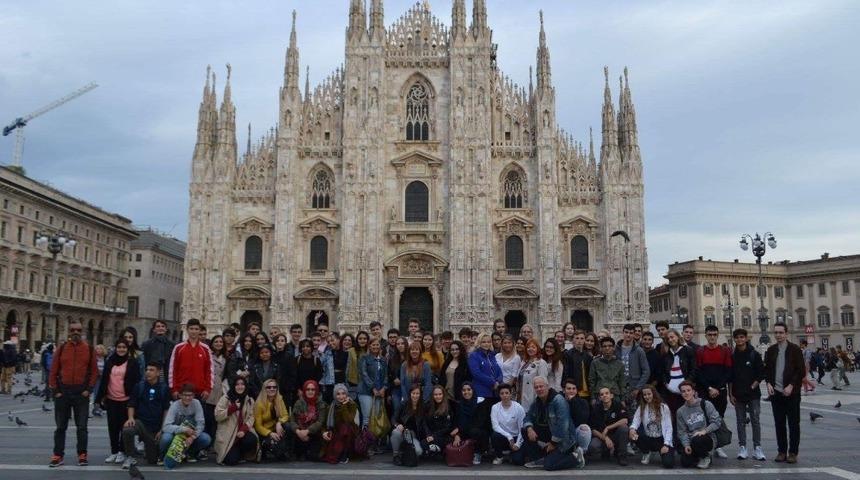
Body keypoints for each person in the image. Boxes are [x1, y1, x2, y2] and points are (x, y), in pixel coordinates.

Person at [49, 319, 98, 468]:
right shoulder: (62, 348)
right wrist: (56, 391)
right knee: (60, 427)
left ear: (82, 332)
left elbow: (94, 372)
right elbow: (53, 370)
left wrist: (88, 390)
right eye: (73, 330)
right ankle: (58, 455)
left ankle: (82, 454)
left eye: (78, 330)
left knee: (82, 426)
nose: (75, 332)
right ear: (69, 332)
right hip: (63, 392)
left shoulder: (89, 349)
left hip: (80, 393)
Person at [517, 376, 581, 470]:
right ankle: (540, 459)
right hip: (549, 435)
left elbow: (563, 426)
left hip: (564, 441)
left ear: (547, 386)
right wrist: (529, 428)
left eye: (541, 386)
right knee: (525, 430)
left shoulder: (558, 401)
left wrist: (553, 443)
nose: (539, 389)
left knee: (549, 466)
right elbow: (528, 417)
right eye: (536, 387)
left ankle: (576, 458)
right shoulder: (537, 401)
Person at [94, 339, 141, 465]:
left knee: (124, 428)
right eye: (119, 347)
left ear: (127, 349)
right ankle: (114, 451)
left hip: (126, 400)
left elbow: (137, 381)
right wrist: (98, 399)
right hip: (111, 399)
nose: (121, 349)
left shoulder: (132, 362)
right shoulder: (110, 361)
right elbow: (104, 380)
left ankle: (122, 451)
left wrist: (135, 399)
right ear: (116, 348)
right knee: (112, 427)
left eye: (124, 347)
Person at [764, 322, 804, 464]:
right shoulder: (771, 350)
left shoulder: (795, 349)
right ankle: (781, 451)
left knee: (793, 423)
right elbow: (767, 369)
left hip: (792, 393)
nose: (778, 335)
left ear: (786, 333)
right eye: (776, 333)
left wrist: (791, 385)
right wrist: (768, 383)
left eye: (781, 332)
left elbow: (800, 371)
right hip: (777, 393)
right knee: (779, 423)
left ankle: (792, 452)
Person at [122, 361, 171, 468]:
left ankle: (147, 448)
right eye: (147, 370)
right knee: (127, 430)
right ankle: (130, 456)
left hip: (155, 427)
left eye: (151, 370)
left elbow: (166, 410)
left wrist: (162, 429)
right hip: (141, 423)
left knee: (152, 460)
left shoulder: (164, 388)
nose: (148, 372)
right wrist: (130, 418)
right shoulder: (139, 386)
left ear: (158, 373)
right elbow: (131, 404)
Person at [694, 324, 732, 459]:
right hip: (705, 390)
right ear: (705, 336)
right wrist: (709, 388)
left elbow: (728, 372)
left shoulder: (725, 351)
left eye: (714, 335)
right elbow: (698, 372)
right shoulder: (700, 351)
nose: (712, 337)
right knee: (704, 419)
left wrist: (718, 388)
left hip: (719, 390)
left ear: (718, 335)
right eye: (709, 335)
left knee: (718, 418)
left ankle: (719, 446)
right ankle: (708, 445)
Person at [728, 328, 766, 461]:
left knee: (755, 420)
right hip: (738, 394)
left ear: (746, 338)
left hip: (753, 394)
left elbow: (761, 373)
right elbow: (730, 377)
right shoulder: (732, 356)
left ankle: (757, 447)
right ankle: (742, 447)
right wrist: (730, 394)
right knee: (740, 422)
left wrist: (753, 386)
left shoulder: (754, 354)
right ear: (734, 339)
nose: (739, 340)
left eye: (741, 337)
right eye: (737, 337)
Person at [160, 383, 212, 467]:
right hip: (176, 434)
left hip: (190, 434)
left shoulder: (197, 403)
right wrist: (183, 429)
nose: (187, 398)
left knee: (206, 439)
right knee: (166, 438)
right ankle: (163, 455)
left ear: (194, 395)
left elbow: (201, 424)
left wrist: (192, 437)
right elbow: (166, 426)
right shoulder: (175, 405)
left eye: (190, 395)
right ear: (180, 395)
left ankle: (189, 453)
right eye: (185, 395)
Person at [214, 376, 259, 465]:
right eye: (237, 384)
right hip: (228, 434)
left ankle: (241, 452)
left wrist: (243, 429)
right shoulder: (225, 398)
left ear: (245, 386)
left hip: (241, 433)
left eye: (242, 384)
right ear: (233, 386)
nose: (240, 386)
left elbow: (251, 417)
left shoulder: (249, 400)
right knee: (231, 461)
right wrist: (232, 408)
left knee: (252, 439)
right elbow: (217, 416)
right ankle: (229, 451)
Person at [676, 381, 720, 469]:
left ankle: (706, 456)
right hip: (691, 440)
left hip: (707, 437)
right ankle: (699, 456)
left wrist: (704, 431)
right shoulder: (680, 411)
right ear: (681, 393)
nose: (686, 393)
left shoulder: (706, 404)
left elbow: (717, 422)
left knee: (697, 440)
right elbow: (682, 431)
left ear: (693, 392)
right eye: (683, 391)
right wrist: (686, 445)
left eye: (688, 390)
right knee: (685, 463)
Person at [628, 385, 674, 468]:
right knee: (634, 435)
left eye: (649, 394)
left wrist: (666, 444)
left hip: (662, 440)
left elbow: (669, 428)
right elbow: (635, 421)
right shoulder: (642, 407)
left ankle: (663, 451)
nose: (647, 396)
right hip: (648, 439)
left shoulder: (663, 407)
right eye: (644, 395)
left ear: (653, 394)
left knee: (668, 464)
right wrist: (632, 429)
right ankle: (646, 452)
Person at [168, 319, 213, 401]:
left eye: (196, 329)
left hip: (200, 392)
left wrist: (208, 389)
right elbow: (172, 369)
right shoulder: (178, 348)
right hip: (181, 391)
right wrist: (173, 389)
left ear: (199, 330)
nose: (194, 331)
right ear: (187, 329)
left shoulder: (205, 349)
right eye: (191, 329)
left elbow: (209, 370)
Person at [587, 387, 629, 466]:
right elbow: (593, 429)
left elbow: (625, 420)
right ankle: (605, 450)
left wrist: (608, 427)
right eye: (602, 394)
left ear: (611, 395)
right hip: (602, 436)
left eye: (607, 393)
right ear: (599, 398)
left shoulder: (618, 405)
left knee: (624, 428)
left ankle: (622, 456)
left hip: (616, 435)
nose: (604, 395)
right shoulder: (596, 409)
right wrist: (605, 438)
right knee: (593, 446)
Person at [286, 380, 327, 461]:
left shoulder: (321, 404)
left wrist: (307, 431)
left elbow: (320, 422)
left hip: (314, 433)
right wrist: (298, 431)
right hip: (299, 433)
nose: (310, 391)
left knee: (313, 457)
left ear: (316, 391)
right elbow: (292, 420)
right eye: (308, 389)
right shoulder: (298, 403)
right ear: (304, 390)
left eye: (313, 389)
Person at [661, 329, 697, 418]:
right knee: (673, 415)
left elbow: (694, 369)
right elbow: (662, 371)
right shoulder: (666, 353)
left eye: (672, 337)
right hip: (670, 391)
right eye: (668, 338)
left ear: (677, 337)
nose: (670, 340)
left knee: (688, 415)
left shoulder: (688, 350)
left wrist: (688, 384)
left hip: (685, 390)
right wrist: (666, 383)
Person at [321, 383, 361, 464]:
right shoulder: (331, 406)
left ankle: (345, 453)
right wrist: (324, 432)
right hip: (336, 432)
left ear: (347, 394)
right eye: (338, 394)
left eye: (343, 393)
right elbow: (325, 423)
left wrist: (344, 406)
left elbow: (348, 420)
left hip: (350, 433)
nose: (341, 396)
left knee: (345, 427)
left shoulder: (352, 404)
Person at [452, 381, 491, 464]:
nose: (466, 392)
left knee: (474, 431)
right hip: (464, 430)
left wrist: (459, 431)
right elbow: (456, 421)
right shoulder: (460, 404)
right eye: (464, 390)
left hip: (479, 431)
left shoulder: (481, 402)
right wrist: (457, 434)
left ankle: (478, 452)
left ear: (473, 390)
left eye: (469, 389)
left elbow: (480, 423)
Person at [253, 378, 291, 461]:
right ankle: (266, 448)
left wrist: (279, 423)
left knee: (288, 426)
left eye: (274, 387)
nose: (272, 389)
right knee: (277, 451)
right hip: (264, 432)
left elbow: (285, 415)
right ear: (264, 389)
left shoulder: (279, 399)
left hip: (276, 429)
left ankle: (283, 449)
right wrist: (269, 433)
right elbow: (258, 426)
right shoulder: (259, 404)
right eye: (269, 387)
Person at [489, 383, 525, 465]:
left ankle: (512, 454)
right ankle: (499, 456)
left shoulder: (518, 407)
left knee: (518, 461)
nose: (504, 395)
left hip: (516, 438)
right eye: (502, 393)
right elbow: (495, 426)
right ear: (499, 395)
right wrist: (509, 436)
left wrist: (518, 444)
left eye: (507, 393)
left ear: (510, 394)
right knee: (494, 435)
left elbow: (521, 428)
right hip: (503, 437)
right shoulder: (495, 407)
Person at [616, 323, 650, 407]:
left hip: (634, 387)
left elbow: (646, 371)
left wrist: (638, 388)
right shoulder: (616, 349)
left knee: (634, 414)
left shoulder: (639, 351)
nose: (628, 335)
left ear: (634, 334)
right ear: (623, 332)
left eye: (631, 333)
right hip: (619, 387)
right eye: (626, 332)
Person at [392, 384, 426, 464]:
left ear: (420, 394)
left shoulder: (423, 406)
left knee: (418, 452)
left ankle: (404, 454)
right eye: (413, 393)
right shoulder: (403, 404)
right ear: (410, 394)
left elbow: (425, 423)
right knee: (395, 432)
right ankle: (396, 456)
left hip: (414, 435)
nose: (415, 396)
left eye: (417, 393)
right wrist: (397, 425)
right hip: (403, 431)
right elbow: (393, 418)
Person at [358, 338, 387, 429]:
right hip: (366, 391)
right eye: (373, 345)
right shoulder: (364, 358)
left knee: (377, 418)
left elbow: (386, 375)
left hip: (379, 392)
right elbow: (364, 374)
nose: (375, 346)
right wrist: (373, 388)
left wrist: (384, 388)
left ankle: (375, 441)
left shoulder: (383, 359)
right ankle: (364, 441)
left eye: (377, 344)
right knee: (367, 418)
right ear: (369, 346)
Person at [205, 335, 227, 443]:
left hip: (219, 390)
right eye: (216, 342)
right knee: (207, 416)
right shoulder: (207, 355)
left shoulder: (225, 357)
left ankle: (213, 441)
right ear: (212, 344)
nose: (219, 344)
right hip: (209, 389)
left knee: (216, 417)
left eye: (221, 342)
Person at [561, 379, 592, 457]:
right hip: (562, 432)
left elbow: (582, 420)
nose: (571, 391)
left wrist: (573, 401)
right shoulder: (558, 402)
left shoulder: (583, 402)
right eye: (569, 389)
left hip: (576, 431)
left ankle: (582, 454)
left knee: (585, 428)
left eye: (574, 389)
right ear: (564, 390)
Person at [468, 333, 503, 402]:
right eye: (483, 342)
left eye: (488, 342)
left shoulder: (492, 355)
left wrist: (498, 381)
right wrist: (493, 382)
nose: (486, 344)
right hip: (481, 391)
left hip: (495, 391)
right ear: (479, 343)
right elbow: (476, 373)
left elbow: (499, 371)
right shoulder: (474, 355)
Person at [421, 385, 455, 454]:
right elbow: (424, 423)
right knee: (423, 443)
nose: (438, 396)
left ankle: (435, 449)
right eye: (435, 394)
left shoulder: (448, 406)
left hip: (443, 435)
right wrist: (428, 435)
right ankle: (434, 449)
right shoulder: (428, 406)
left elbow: (448, 427)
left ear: (443, 395)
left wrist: (434, 436)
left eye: (440, 394)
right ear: (432, 395)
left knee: (447, 440)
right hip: (431, 435)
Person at [517, 339, 549, 412]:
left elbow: (543, 382)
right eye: (528, 347)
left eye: (533, 347)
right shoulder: (524, 362)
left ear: (537, 349)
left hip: (533, 396)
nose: (530, 349)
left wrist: (540, 399)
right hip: (521, 395)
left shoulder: (541, 363)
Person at [562, 330, 592, 402]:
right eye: (577, 338)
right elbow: (566, 372)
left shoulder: (588, 356)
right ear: (573, 340)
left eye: (582, 338)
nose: (579, 341)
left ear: (584, 340)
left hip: (587, 391)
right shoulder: (568, 354)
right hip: (574, 390)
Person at [346, 331, 369, 395]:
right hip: (352, 383)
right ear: (357, 340)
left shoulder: (369, 351)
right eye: (360, 339)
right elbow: (347, 368)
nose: (362, 340)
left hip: (366, 384)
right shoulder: (350, 351)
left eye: (365, 339)